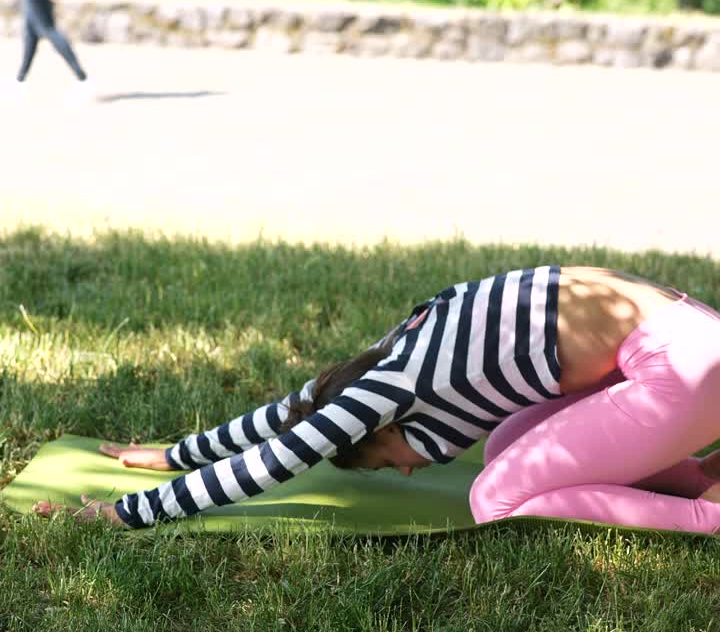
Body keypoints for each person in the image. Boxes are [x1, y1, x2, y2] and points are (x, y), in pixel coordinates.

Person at [32, 265, 720, 535]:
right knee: (507, 447)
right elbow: (297, 407)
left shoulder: (395, 385)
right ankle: (703, 479)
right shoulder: (400, 348)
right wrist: (177, 454)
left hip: (683, 367)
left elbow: (280, 456)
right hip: (689, 342)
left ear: (381, 424)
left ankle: (707, 517)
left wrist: (127, 513)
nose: (410, 470)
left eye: (388, 460)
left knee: (496, 498)